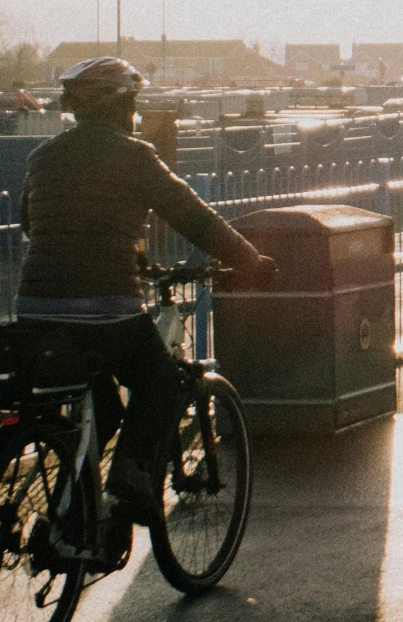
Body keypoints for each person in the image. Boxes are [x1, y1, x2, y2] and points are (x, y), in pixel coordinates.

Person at [16, 56, 275, 524]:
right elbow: (195, 217)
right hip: (104, 309)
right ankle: (129, 479)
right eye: (134, 103)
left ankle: (70, 516)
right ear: (123, 106)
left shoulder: (42, 157)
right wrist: (250, 260)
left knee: (105, 411)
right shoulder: (135, 157)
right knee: (161, 382)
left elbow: (32, 226)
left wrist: (123, 250)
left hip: (35, 308)